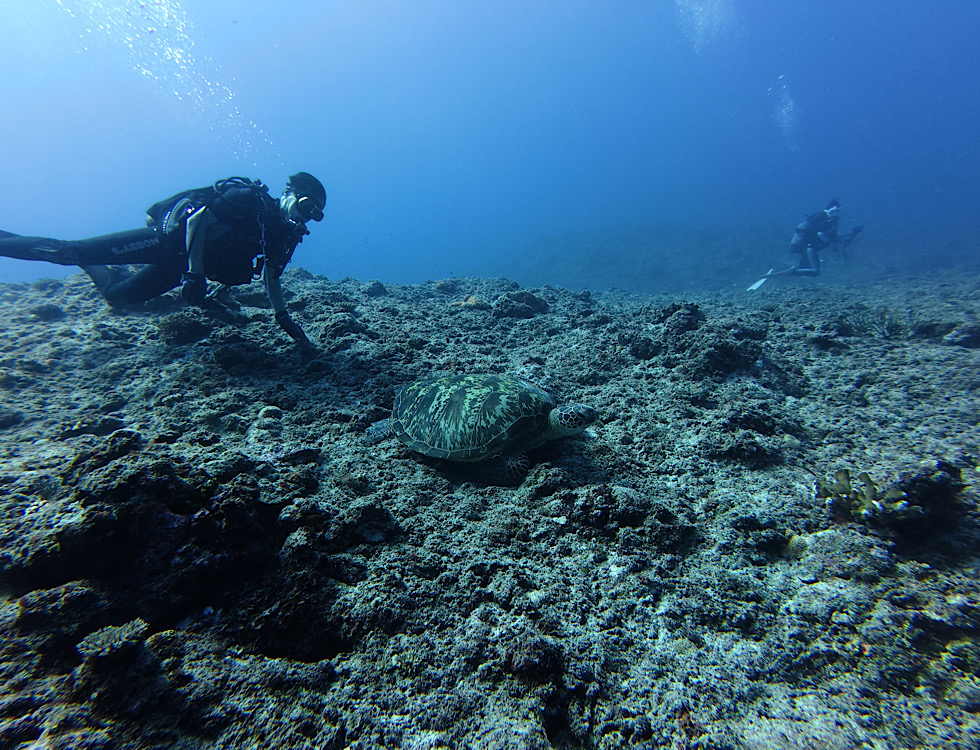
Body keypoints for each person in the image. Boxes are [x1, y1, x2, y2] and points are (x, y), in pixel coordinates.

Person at [0, 172, 326, 346]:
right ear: (289, 192)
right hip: (167, 246)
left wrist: (282, 316)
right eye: (305, 204)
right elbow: (199, 221)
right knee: (67, 252)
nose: (305, 216)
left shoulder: (284, 237)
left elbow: (272, 276)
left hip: (179, 268)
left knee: (118, 297)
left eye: (315, 214)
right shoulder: (249, 201)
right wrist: (195, 276)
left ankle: (94, 265)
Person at [767, 198, 863, 278]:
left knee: (810, 271)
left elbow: (835, 236)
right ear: (829, 209)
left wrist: (852, 232)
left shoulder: (827, 221)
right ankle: (789, 272)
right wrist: (831, 239)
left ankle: (783, 271)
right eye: (834, 211)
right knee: (814, 271)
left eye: (838, 212)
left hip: (810, 248)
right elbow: (821, 234)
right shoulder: (824, 220)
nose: (835, 214)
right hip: (810, 248)